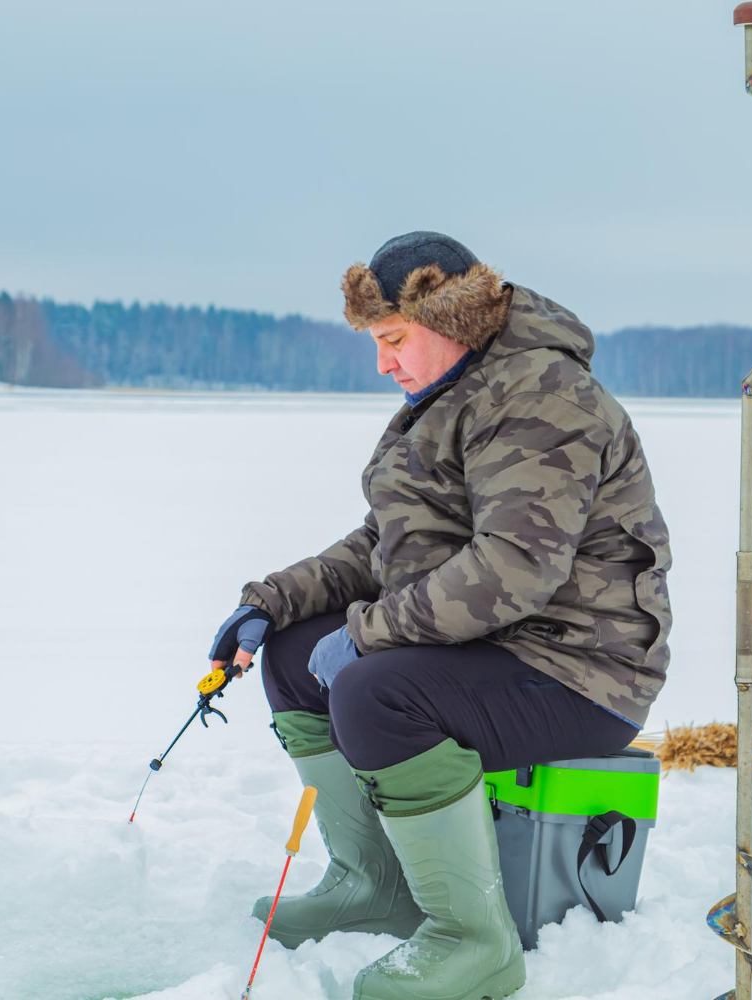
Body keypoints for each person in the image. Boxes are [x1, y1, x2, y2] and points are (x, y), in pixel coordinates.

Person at [208, 232, 672, 1000]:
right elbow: (382, 545)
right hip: (494, 647)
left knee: (374, 690)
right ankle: (376, 885)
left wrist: (367, 636)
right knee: (295, 655)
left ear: (450, 319)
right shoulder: (450, 398)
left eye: (393, 340)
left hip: (581, 667)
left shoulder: (541, 397)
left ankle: (473, 940)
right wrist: (270, 600)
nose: (384, 363)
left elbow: (513, 571)